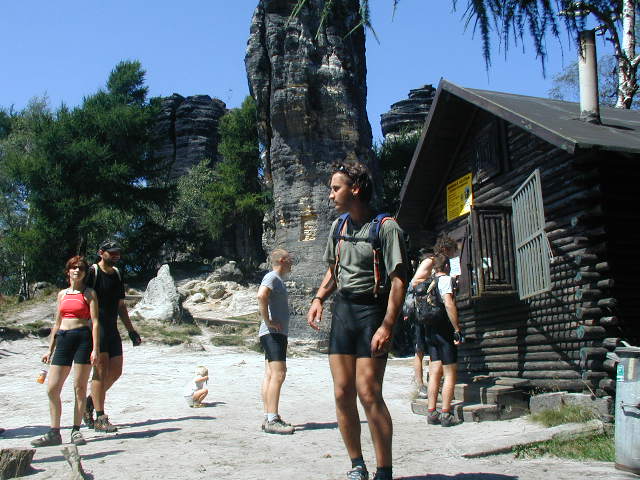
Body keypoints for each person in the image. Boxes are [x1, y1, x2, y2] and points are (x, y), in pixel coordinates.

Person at [307, 161, 407, 480]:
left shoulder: (386, 227)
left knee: (368, 393)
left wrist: (387, 325)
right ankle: (357, 465)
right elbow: (334, 270)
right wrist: (319, 298)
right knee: (342, 393)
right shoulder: (338, 227)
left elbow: (399, 281)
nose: (330, 194)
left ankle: (384, 471)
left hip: (372, 313)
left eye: (336, 188)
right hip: (344, 312)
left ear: (356, 189)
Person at [31, 256, 100, 447]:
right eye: (73, 267)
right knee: (52, 388)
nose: (77, 270)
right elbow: (57, 323)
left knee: (79, 387)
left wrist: (96, 349)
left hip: (83, 339)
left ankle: (76, 430)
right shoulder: (62, 294)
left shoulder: (89, 293)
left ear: (85, 273)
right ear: (68, 271)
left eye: (81, 268)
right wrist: (49, 349)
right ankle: (54, 432)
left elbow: (95, 322)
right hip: (63, 339)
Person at [83, 241, 141, 433]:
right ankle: (100, 417)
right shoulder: (92, 272)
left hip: (112, 328)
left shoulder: (116, 273)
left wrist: (131, 330)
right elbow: (82, 299)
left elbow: (120, 306)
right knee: (99, 372)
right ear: (101, 252)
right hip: (95, 328)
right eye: (112, 252)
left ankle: (90, 402)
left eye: (118, 252)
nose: (116, 255)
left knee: (116, 371)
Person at [408, 237, 458, 399]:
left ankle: (433, 385)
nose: (452, 256)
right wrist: (435, 281)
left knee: (431, 348)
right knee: (420, 348)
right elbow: (415, 282)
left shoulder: (436, 262)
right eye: (452, 252)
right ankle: (420, 384)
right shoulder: (430, 261)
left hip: (430, 310)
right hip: (421, 309)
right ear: (446, 249)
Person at [422, 254, 463, 427]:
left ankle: (432, 412)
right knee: (450, 372)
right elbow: (448, 304)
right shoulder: (445, 280)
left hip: (430, 332)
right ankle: (446, 414)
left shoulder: (428, 283)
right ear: (446, 266)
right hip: (444, 331)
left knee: (434, 372)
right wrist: (457, 329)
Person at [258, 248, 295, 435]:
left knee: (270, 374)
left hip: (272, 333)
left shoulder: (277, 279)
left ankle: (268, 417)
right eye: (289, 258)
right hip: (273, 334)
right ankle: (272, 419)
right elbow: (261, 295)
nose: (292, 261)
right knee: (279, 374)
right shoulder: (272, 277)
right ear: (281, 260)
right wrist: (268, 321)